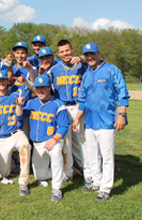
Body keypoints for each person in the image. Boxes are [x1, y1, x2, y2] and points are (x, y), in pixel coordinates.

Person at [73, 42, 130, 201]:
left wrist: (122, 114)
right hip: (90, 122)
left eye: (92, 54)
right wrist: (77, 119)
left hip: (107, 122)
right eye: (87, 55)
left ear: (98, 53)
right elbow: (82, 100)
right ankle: (96, 182)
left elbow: (123, 93)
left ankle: (105, 188)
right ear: (84, 56)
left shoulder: (111, 70)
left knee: (107, 157)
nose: (90, 57)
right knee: (92, 156)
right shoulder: (85, 75)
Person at [17, 75, 70, 201]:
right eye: (37, 88)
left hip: (52, 140)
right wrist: (18, 105)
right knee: (40, 176)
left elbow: (64, 127)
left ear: (50, 87)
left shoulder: (58, 104)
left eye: (43, 88)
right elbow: (20, 117)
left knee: (56, 152)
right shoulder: (31, 102)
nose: (40, 91)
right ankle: (63, 172)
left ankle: (57, 188)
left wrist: (54, 139)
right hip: (37, 143)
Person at [48, 39, 91, 185]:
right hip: (62, 108)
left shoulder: (82, 66)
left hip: (78, 106)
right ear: (58, 54)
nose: (65, 53)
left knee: (81, 140)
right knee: (65, 142)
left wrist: (82, 58)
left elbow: (94, 58)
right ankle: (69, 171)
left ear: (72, 49)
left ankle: (87, 171)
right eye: (62, 51)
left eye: (67, 50)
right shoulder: (54, 69)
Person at [0, 70, 31, 196]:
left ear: (7, 81)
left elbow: (33, 88)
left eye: (3, 80)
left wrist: (19, 104)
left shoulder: (16, 94)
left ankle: (23, 182)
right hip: (0, 137)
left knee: (24, 144)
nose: (1, 83)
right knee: (4, 173)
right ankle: (12, 161)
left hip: (15, 133)